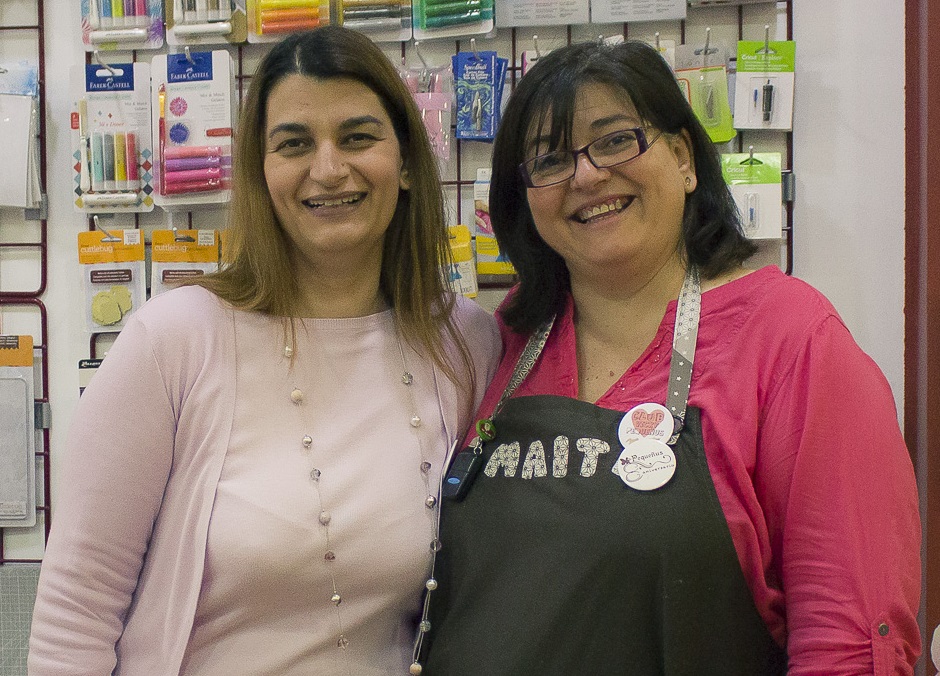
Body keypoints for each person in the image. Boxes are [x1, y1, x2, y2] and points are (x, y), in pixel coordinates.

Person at [418, 39, 920, 674]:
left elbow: (849, 643)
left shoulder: (790, 340)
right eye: (550, 159)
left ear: (684, 159)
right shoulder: (504, 342)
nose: (586, 176)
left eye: (614, 140)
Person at [28, 26, 500, 676]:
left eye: (358, 137)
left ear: (409, 163)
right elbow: (76, 610)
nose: (328, 169)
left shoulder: (465, 342)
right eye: (294, 144)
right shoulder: (174, 342)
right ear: (261, 171)